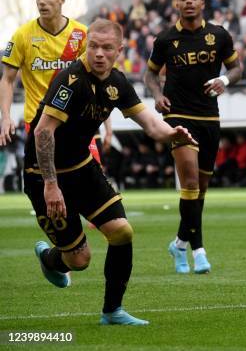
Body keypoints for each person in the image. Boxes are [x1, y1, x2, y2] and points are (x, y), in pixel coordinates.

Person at [25, 19, 196, 324]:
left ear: (119, 50)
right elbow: (42, 133)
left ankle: (112, 311)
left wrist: (171, 133)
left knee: (122, 231)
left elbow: (150, 123)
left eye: (106, 48)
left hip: (81, 168)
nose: (99, 53)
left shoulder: (118, 83)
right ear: (86, 46)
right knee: (79, 260)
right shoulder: (70, 80)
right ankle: (51, 259)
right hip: (43, 173)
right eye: (93, 46)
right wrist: (51, 185)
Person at [145, 0, 243, 274]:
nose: (189, 2)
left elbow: (237, 68)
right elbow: (149, 73)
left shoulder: (219, 35)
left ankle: (178, 244)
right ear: (176, 5)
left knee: (199, 190)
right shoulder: (165, 39)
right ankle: (199, 250)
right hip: (178, 116)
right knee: (189, 183)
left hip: (209, 118)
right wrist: (156, 95)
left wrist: (224, 81)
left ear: (203, 3)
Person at [0, 0, 111, 162]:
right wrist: (5, 117)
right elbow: (7, 80)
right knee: (49, 184)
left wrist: (106, 124)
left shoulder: (82, 34)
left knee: (92, 182)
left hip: (77, 120)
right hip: (38, 122)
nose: (42, 1)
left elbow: (99, 80)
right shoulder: (22, 35)